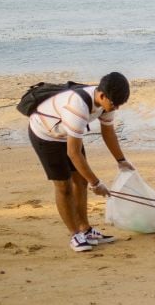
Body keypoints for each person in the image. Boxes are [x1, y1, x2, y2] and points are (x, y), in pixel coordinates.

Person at [27, 72, 133, 252]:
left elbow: (108, 132)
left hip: (67, 134)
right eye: (115, 104)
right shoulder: (77, 108)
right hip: (45, 135)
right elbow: (73, 153)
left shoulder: (106, 105)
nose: (116, 108)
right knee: (64, 186)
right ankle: (75, 234)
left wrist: (121, 161)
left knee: (81, 181)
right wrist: (97, 183)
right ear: (101, 95)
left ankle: (86, 229)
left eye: (120, 105)